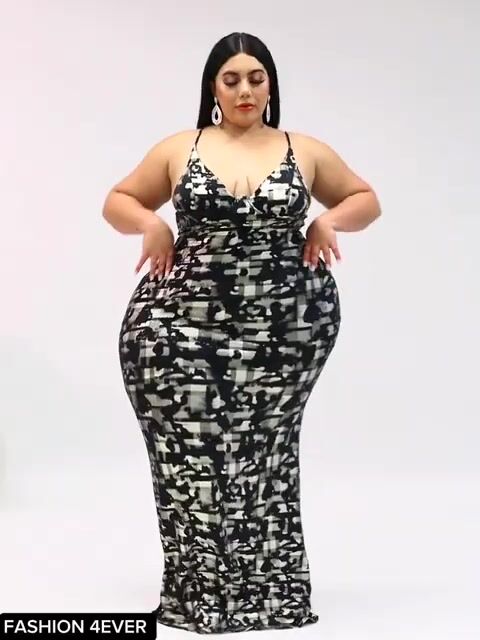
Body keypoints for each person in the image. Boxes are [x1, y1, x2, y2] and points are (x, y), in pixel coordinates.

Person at [103, 31, 381, 634]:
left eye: (256, 78)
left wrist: (328, 219)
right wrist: (151, 224)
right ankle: (199, 592)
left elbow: (367, 199)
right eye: (231, 80)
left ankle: (270, 593)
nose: (245, 90)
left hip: (287, 328)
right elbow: (117, 200)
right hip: (179, 328)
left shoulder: (304, 149)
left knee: (265, 454)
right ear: (213, 88)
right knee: (191, 461)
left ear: (271, 85)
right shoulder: (180, 148)